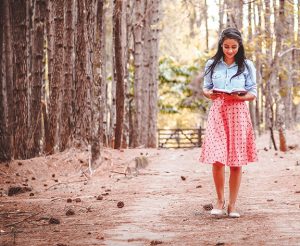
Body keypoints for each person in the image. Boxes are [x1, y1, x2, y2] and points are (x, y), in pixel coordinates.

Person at [199, 27, 258, 218]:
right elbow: (206, 89)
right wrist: (210, 94)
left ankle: (232, 205)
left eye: (233, 47)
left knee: (235, 160)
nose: (230, 50)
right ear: (221, 45)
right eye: (226, 46)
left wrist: (242, 97)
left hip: (238, 112)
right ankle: (219, 200)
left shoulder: (247, 65)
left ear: (239, 46)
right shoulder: (212, 64)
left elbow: (253, 92)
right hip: (218, 111)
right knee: (217, 158)